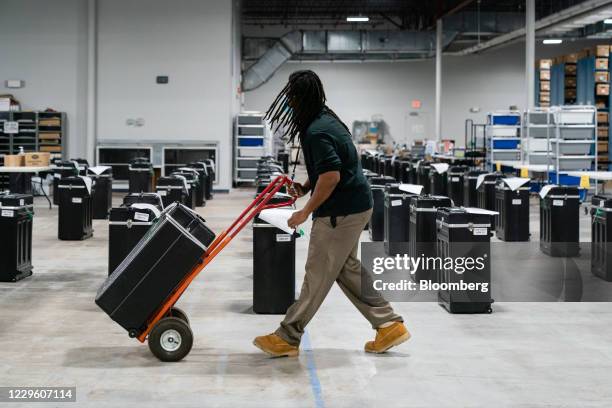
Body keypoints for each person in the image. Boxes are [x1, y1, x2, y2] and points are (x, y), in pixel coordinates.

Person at [253, 70, 410, 357]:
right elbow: (328, 168)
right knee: (345, 270)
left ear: (300, 99)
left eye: (291, 98)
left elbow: (332, 177)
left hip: (341, 212)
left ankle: (287, 336)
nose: (289, 104)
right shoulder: (326, 119)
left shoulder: (316, 131)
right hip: (356, 205)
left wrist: (304, 211)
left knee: (318, 272)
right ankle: (388, 325)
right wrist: (304, 187)